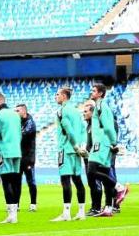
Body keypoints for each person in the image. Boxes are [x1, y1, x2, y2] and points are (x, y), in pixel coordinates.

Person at [88, 84, 128, 217]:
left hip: (101, 143)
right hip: (104, 143)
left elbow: (109, 127)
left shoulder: (100, 106)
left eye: (94, 90)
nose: (91, 92)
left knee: (92, 171)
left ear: (100, 93)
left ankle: (119, 187)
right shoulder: (100, 107)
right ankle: (109, 208)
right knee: (105, 175)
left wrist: (113, 143)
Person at [51, 88, 86, 222]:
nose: (56, 96)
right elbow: (82, 129)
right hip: (76, 152)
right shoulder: (76, 111)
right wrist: (81, 145)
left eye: (57, 94)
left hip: (66, 149)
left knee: (65, 180)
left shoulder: (62, 111)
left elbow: (68, 129)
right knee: (78, 180)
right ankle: (81, 212)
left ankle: (66, 213)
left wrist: (75, 145)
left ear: (64, 96)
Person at [0, 93, 22, 224]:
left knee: (7, 183)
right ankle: (15, 214)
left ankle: (11, 215)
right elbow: (19, 134)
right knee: (15, 182)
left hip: (4, 152)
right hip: (16, 152)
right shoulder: (15, 114)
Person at [15, 104, 37, 212]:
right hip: (19, 156)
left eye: (17, 110)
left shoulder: (30, 122)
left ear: (24, 111)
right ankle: (16, 205)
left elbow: (23, 134)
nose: (16, 113)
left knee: (31, 181)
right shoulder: (18, 122)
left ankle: (33, 204)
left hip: (28, 157)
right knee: (17, 182)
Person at [82, 102, 103, 216]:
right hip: (87, 158)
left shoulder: (95, 124)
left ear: (92, 112)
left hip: (94, 158)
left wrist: (92, 154)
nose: (83, 114)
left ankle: (98, 208)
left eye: (85, 112)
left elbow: (97, 142)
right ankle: (94, 207)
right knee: (91, 183)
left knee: (96, 182)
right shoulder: (89, 125)